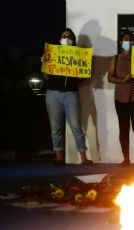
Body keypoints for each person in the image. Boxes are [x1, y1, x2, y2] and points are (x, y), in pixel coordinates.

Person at [43, 28, 93, 166]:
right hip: (52, 93)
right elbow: (45, 76)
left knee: (76, 125)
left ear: (73, 40)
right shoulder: (52, 53)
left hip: (71, 93)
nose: (66, 38)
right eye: (64, 36)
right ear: (60, 39)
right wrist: (45, 63)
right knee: (55, 127)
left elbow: (84, 75)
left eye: (69, 36)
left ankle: (83, 156)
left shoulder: (78, 55)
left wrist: (76, 80)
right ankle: (59, 156)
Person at [108, 31, 134, 167]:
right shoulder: (115, 58)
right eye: (125, 39)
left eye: (130, 39)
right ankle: (126, 159)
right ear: (120, 42)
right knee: (124, 128)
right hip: (121, 97)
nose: (127, 41)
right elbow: (110, 77)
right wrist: (123, 79)